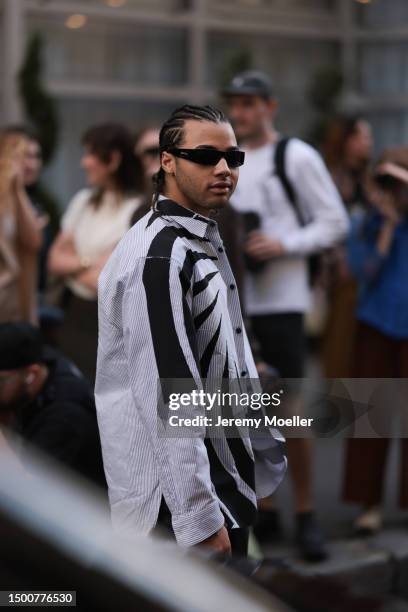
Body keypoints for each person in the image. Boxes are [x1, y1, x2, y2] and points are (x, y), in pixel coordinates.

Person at [95, 105, 286, 557]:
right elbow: (169, 390)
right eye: (205, 156)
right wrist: (198, 518)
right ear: (167, 161)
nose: (223, 169)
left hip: (219, 486)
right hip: (174, 507)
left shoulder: (194, 239)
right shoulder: (159, 256)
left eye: (233, 158)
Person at [222, 70, 349, 561]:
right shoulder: (224, 158)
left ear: (271, 107)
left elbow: (334, 221)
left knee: (289, 412)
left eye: (251, 104)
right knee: (247, 411)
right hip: (235, 302)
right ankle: (267, 511)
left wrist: (283, 243)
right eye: (235, 103)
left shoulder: (293, 155)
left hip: (282, 302)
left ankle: (306, 513)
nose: (241, 112)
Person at [343, 146, 408, 534]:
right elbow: (362, 271)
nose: (393, 189)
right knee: (371, 417)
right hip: (374, 325)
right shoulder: (366, 223)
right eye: (387, 180)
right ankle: (369, 503)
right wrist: (385, 226)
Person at [48, 123, 144, 384]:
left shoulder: (137, 211)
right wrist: (89, 263)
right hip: (73, 314)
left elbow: (106, 280)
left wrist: (74, 264)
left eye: (90, 154)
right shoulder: (83, 202)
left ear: (112, 160)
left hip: (109, 323)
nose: (84, 162)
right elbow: (54, 260)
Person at [0, 322, 106, 489]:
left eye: (1, 381)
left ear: (31, 374)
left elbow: (24, 488)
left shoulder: (64, 419)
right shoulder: (45, 362)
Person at [0, 131, 43, 324]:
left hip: (15, 306)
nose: (30, 165)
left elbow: (34, 241)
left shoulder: (21, 197)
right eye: (23, 156)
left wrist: (17, 190)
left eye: (35, 157)